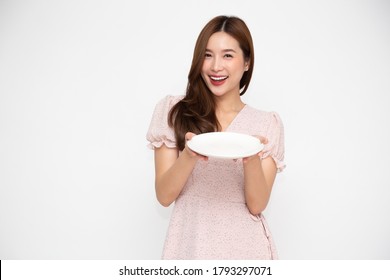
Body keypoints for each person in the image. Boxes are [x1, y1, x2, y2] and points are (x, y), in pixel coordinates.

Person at [146, 15, 285, 259]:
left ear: (246, 63)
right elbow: (164, 196)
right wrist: (189, 154)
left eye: (228, 55)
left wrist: (251, 155)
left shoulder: (267, 124)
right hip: (190, 244)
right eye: (207, 55)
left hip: (246, 251)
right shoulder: (173, 111)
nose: (215, 66)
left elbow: (257, 205)